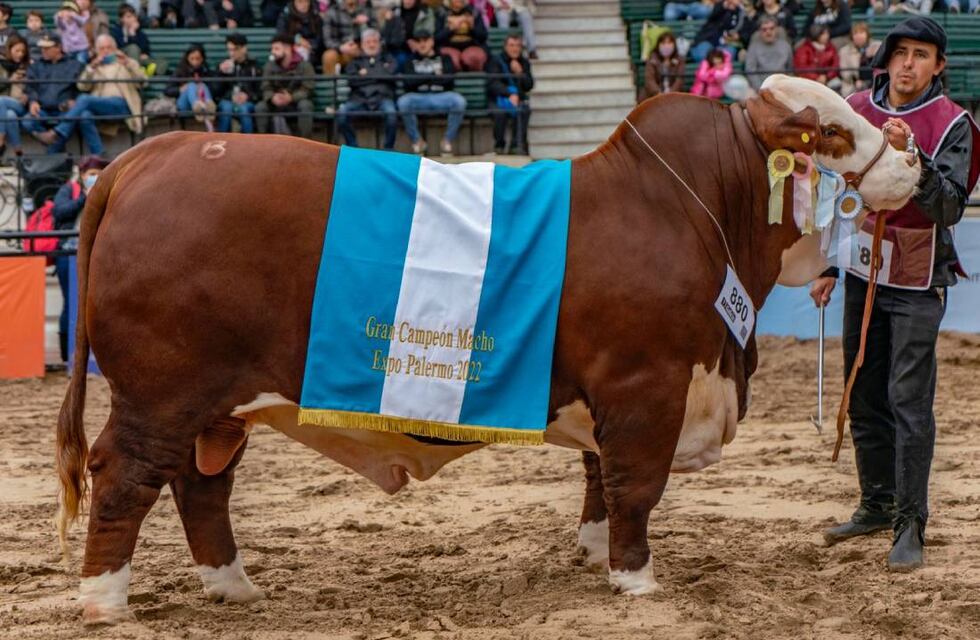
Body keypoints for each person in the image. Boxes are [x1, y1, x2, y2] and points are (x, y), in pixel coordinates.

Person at [811, 17, 980, 572]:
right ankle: (876, 503)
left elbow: (949, 206)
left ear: (938, 66)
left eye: (921, 55)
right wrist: (829, 267)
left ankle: (911, 521)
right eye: (901, 52)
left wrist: (917, 163)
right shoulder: (854, 108)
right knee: (861, 390)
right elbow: (836, 192)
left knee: (908, 401)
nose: (908, 64)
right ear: (886, 58)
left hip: (919, 276)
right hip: (861, 268)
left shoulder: (953, 123)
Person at [34, 34, 145, 154]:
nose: (106, 51)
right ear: (97, 51)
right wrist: (91, 68)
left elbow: (143, 82)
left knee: (84, 99)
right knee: (84, 115)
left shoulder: (126, 63)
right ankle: (99, 154)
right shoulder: (94, 67)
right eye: (102, 49)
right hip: (100, 107)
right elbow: (82, 85)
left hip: (122, 105)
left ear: (115, 48)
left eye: (109, 47)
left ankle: (56, 133)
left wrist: (128, 63)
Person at [53, 155, 108, 363]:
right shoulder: (69, 189)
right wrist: (85, 197)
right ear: (83, 175)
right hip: (68, 253)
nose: (97, 178)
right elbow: (59, 212)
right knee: (71, 302)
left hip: (96, 254)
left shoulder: (106, 192)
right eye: (93, 174)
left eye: (100, 174)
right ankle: (66, 356)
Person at [397, 29, 466, 155]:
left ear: (432, 41)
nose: (422, 44)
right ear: (415, 44)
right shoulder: (409, 60)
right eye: (418, 41)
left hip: (441, 97)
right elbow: (408, 83)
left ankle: (447, 141)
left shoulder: (445, 58)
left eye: (425, 40)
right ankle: (418, 142)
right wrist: (434, 75)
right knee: (403, 102)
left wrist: (420, 78)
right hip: (418, 98)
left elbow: (449, 80)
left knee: (459, 101)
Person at [337, 28, 397, 149]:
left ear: (380, 43)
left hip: (382, 98)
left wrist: (365, 74)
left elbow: (391, 74)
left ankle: (388, 149)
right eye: (368, 42)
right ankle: (353, 148)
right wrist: (380, 73)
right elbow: (352, 80)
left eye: (375, 41)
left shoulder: (388, 58)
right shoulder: (355, 61)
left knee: (392, 114)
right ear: (362, 45)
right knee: (342, 113)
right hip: (358, 98)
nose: (371, 44)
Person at [23, 34, 83, 145]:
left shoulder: (75, 65)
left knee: (74, 116)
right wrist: (33, 101)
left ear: (58, 48)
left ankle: (52, 148)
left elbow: (81, 88)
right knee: (27, 120)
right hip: (42, 109)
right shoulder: (36, 66)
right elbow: (30, 86)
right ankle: (50, 139)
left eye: (47, 48)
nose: (43, 51)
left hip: (64, 110)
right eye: (42, 48)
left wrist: (74, 99)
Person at [256, 33, 315, 138]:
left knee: (306, 105)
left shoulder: (304, 65)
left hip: (295, 102)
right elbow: (265, 86)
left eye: (276, 48)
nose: (272, 52)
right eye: (272, 48)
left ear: (288, 48)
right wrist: (272, 97)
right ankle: (263, 142)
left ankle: (305, 142)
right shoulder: (269, 65)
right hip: (275, 103)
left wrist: (291, 97)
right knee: (261, 107)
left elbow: (307, 88)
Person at [486, 33, 532, 155]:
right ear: (505, 46)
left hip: (518, 100)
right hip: (497, 99)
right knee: (499, 112)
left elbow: (529, 85)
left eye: (518, 45)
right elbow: (493, 84)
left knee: (524, 110)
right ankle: (499, 145)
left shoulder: (524, 62)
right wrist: (509, 94)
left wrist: (520, 73)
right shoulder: (496, 60)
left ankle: (516, 145)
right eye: (511, 45)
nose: (515, 48)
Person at [214, 32, 261, 133]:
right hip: (227, 101)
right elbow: (216, 92)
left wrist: (248, 96)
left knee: (244, 110)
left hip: (247, 102)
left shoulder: (254, 66)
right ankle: (221, 141)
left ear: (244, 48)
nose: (231, 53)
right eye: (229, 49)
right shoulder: (222, 65)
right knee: (226, 108)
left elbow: (259, 90)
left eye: (235, 49)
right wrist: (221, 73)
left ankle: (248, 143)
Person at [382, 0, 442, 71]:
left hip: (420, 45)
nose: (407, 1)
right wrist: (388, 22)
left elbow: (428, 32)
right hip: (399, 47)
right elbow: (387, 37)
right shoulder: (394, 11)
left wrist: (417, 42)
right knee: (400, 60)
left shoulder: (425, 11)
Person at [165, 44, 216, 125]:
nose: (195, 62)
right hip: (184, 105)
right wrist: (180, 89)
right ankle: (198, 105)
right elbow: (167, 90)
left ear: (202, 59)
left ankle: (208, 106)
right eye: (192, 59)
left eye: (197, 59)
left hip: (203, 101)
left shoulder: (206, 71)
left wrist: (201, 85)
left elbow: (215, 89)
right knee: (191, 85)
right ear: (187, 58)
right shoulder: (180, 70)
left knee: (202, 85)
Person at [322, 0, 375, 74]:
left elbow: (377, 35)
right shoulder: (332, 12)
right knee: (328, 56)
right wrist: (341, 47)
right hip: (340, 49)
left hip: (361, 48)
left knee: (371, 51)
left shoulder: (366, 10)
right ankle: (331, 83)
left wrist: (367, 23)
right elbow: (328, 40)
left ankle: (370, 82)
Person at [437, 0, 489, 71]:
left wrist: (472, 27)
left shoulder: (473, 12)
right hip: (448, 46)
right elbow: (437, 37)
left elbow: (483, 36)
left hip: (472, 46)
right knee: (451, 60)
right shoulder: (441, 13)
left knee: (473, 57)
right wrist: (451, 29)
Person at [745, 15, 793, 92]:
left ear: (776, 29)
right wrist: (761, 89)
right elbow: (750, 71)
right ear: (760, 32)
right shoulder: (753, 48)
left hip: (782, 88)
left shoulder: (786, 46)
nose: (768, 32)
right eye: (764, 29)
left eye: (771, 28)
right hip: (760, 88)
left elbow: (790, 69)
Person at [0, 35, 29, 156]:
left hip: (21, 104)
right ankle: (18, 151)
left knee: (0, 100)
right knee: (10, 115)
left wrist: (28, 95)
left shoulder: (28, 66)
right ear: (9, 50)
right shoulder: (1, 65)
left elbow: (36, 87)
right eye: (17, 51)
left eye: (23, 51)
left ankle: (0, 138)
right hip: (3, 110)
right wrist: (9, 81)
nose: (20, 54)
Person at [794, 24, 841, 91]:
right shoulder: (804, 49)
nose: (827, 36)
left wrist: (826, 77)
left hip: (827, 79)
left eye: (827, 33)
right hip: (809, 80)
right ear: (816, 35)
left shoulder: (831, 48)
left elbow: (835, 65)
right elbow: (801, 68)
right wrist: (816, 77)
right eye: (823, 34)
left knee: (836, 83)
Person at [838, 22, 880, 96]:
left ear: (867, 34)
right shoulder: (844, 51)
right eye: (855, 33)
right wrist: (855, 81)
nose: (858, 36)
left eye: (861, 32)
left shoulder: (877, 46)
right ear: (852, 36)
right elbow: (844, 73)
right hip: (853, 85)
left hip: (874, 83)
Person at [642, 31, 685, 100]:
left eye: (669, 43)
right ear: (658, 45)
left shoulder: (679, 60)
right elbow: (649, 80)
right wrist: (658, 93)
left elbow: (679, 80)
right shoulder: (652, 59)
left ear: (674, 45)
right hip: (654, 97)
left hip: (674, 97)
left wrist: (671, 94)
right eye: (663, 43)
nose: (666, 46)